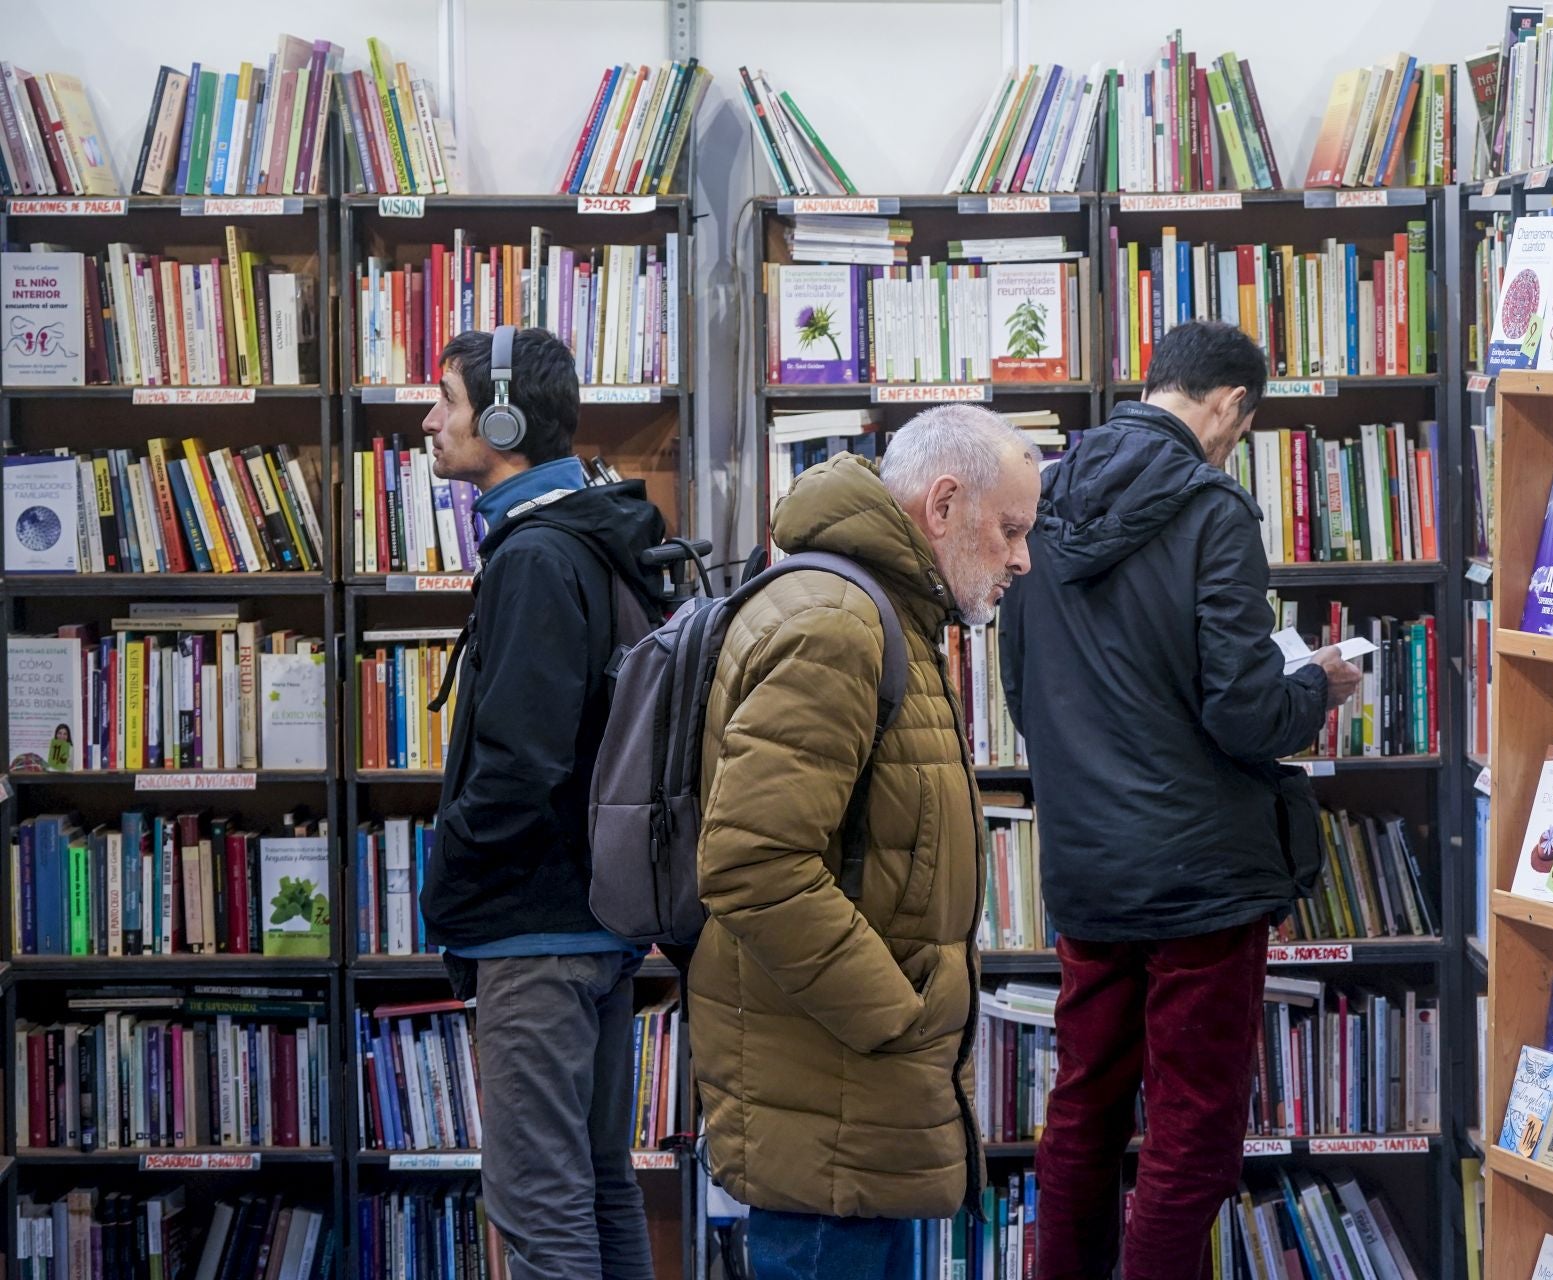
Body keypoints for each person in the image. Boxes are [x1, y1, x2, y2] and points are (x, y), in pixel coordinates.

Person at [998, 320, 1365, 1280]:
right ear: (1234, 407)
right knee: (1192, 1132)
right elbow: (1246, 713)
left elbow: (1020, 685)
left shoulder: (1037, 500)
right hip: (1200, 878)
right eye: (1243, 425)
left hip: (1085, 865)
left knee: (1082, 1107)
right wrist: (1316, 685)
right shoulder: (1213, 511)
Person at [689, 405, 1040, 1280]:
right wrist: (897, 1013)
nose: (1021, 559)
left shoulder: (884, 617)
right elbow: (752, 863)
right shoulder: (837, 624)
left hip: (856, 1102)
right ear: (945, 504)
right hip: (830, 1105)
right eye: (1010, 529)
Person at [419, 326, 670, 1280]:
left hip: (533, 933)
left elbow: (520, 766)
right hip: (596, 925)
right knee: (600, 1191)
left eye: (445, 398)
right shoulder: (596, 535)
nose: (430, 418)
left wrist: (452, 875)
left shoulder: (535, 559)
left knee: (539, 1211)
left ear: (505, 419)